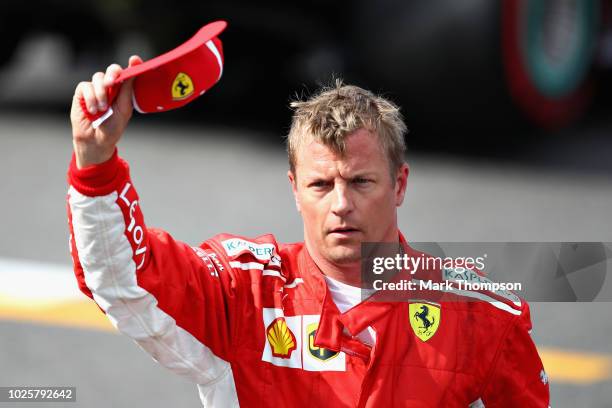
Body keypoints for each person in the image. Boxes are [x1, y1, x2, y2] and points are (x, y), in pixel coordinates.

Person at [67, 57, 550, 407]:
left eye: (361, 181)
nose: (341, 205)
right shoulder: (244, 294)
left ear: (399, 184)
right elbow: (125, 279)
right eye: (322, 184)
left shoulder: (483, 317)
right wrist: (96, 162)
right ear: (295, 189)